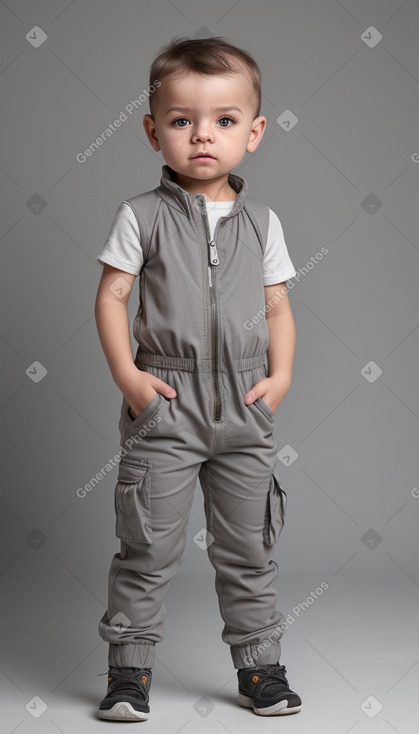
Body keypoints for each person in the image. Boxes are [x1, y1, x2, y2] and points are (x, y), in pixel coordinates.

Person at [94, 35, 301, 721]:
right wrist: (129, 375)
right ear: (154, 131)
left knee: (248, 549)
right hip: (167, 404)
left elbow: (277, 305)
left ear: (254, 131)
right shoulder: (141, 216)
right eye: (181, 121)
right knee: (146, 548)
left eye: (223, 120)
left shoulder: (263, 222)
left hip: (244, 409)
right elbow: (112, 297)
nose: (201, 136)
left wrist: (280, 376)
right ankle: (128, 673)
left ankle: (260, 669)